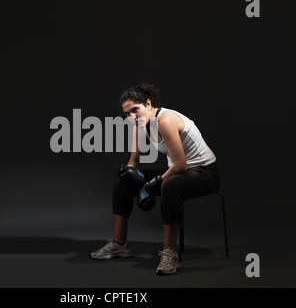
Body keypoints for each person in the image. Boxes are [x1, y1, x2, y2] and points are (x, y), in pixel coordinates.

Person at [90, 83, 221, 275]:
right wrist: (128, 174)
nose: (132, 117)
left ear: (149, 104)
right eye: (127, 113)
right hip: (179, 170)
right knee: (122, 182)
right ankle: (119, 244)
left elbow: (180, 165)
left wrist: (152, 184)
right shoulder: (139, 125)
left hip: (205, 173)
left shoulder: (166, 120)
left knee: (169, 184)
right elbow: (134, 162)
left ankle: (170, 253)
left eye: (135, 110)